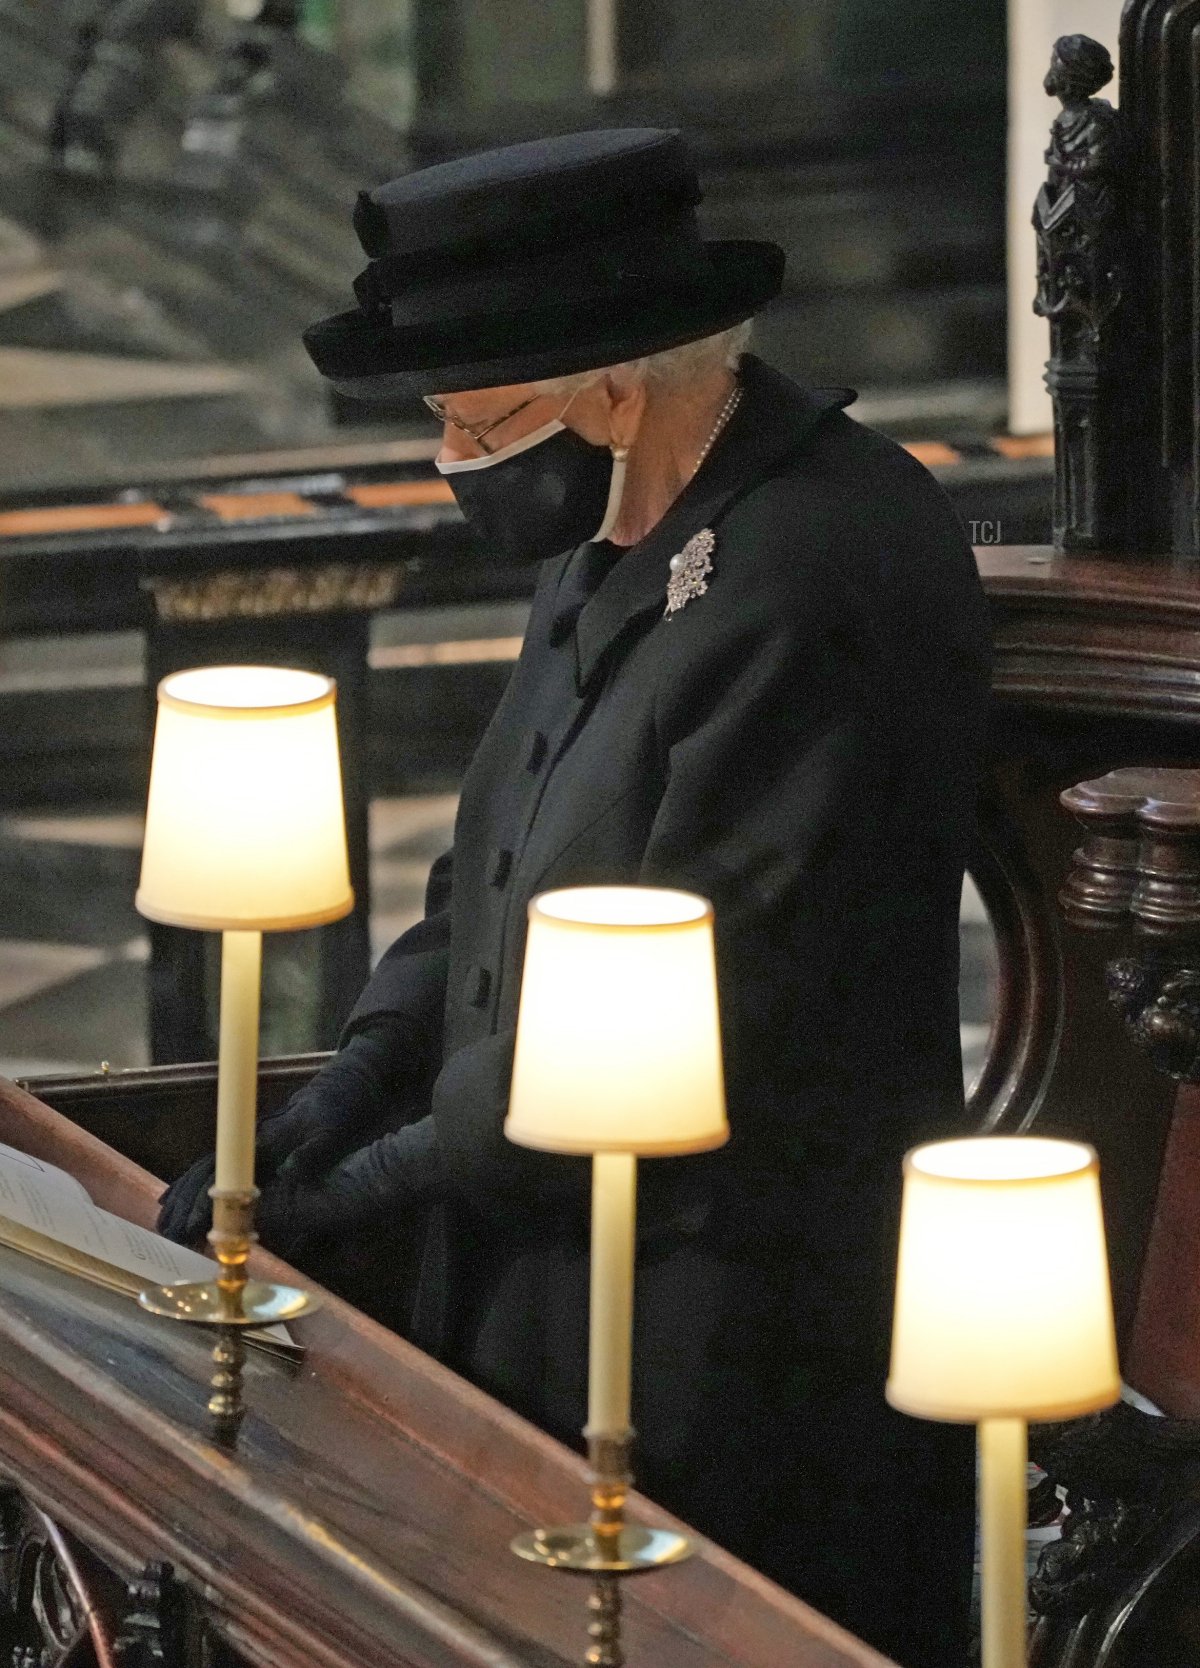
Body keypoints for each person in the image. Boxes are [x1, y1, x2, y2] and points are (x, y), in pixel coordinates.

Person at [160, 128, 991, 1667]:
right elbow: (491, 857)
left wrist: (380, 1182)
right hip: (530, 1257)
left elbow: (718, 1004)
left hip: (726, 1332)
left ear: (612, 393)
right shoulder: (626, 509)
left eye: (472, 422)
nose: (448, 459)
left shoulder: (825, 557)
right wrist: (356, 1076)